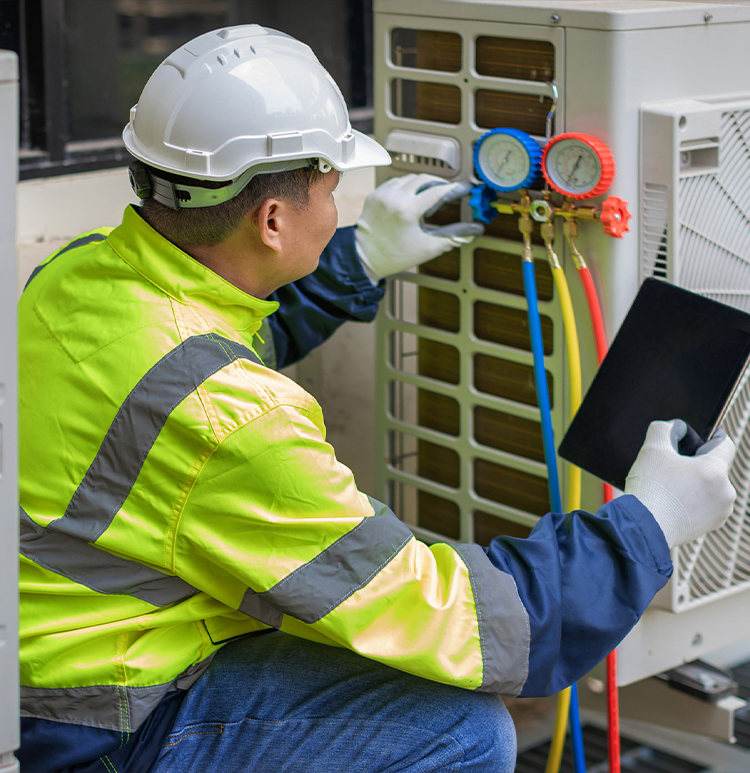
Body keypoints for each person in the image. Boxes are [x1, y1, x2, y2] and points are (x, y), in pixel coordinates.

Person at [17, 25, 736, 773]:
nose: (338, 205)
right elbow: (468, 626)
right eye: (332, 190)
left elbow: (185, 356)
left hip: (47, 667)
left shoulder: (75, 277)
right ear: (271, 220)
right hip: (98, 725)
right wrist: (647, 526)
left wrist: (352, 260)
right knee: (463, 729)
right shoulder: (234, 419)